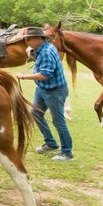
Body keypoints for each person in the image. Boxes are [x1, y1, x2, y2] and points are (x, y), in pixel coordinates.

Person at [16, 27, 73, 161]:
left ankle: (67, 153)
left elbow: (46, 74)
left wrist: (23, 77)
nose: (26, 41)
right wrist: (32, 52)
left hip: (54, 91)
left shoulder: (47, 51)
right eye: (26, 39)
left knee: (58, 122)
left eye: (29, 39)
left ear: (38, 39)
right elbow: (41, 63)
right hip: (43, 89)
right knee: (35, 114)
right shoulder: (43, 48)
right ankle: (51, 144)